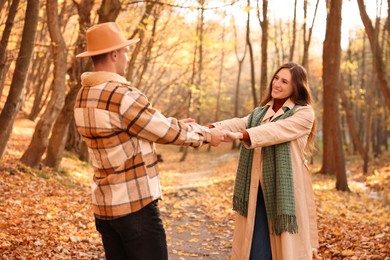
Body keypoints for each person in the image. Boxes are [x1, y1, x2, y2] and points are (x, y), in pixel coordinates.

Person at [74, 22, 226, 260]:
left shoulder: (83, 95)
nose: (126, 56)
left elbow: (137, 127)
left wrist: (172, 124)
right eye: (125, 51)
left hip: (105, 209)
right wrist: (206, 135)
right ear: (114, 54)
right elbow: (162, 129)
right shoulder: (121, 94)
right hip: (134, 208)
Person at [213, 62, 319, 259]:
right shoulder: (261, 112)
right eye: (276, 78)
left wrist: (240, 135)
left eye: (284, 81)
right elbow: (238, 122)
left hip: (284, 192)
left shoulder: (304, 113)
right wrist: (210, 128)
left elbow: (275, 131)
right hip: (257, 191)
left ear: (296, 87)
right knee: (255, 250)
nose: (276, 84)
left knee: (285, 250)